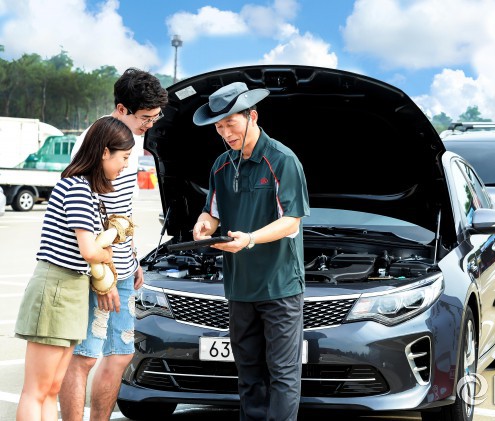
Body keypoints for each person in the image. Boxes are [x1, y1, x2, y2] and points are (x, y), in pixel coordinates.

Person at [191, 82, 310, 421]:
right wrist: (203, 226)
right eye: (219, 127)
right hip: (239, 286)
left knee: (283, 374)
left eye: (231, 123)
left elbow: (291, 221)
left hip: (279, 286)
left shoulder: (283, 160)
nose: (225, 133)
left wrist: (250, 239)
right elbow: (212, 212)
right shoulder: (221, 165)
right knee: (248, 373)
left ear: (252, 116)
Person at [58, 68, 168, 421]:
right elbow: (88, 221)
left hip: (120, 265)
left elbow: (121, 213)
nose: (150, 124)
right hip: (95, 270)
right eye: (146, 117)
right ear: (122, 109)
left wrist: (132, 259)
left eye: (155, 117)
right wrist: (102, 279)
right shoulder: (94, 144)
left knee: (120, 354)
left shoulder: (131, 143)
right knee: (84, 357)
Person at [15, 117, 135, 421]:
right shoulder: (78, 188)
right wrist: (108, 255)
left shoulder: (88, 190)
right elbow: (89, 250)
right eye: (124, 157)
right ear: (105, 152)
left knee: (51, 388)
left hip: (71, 289)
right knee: (36, 389)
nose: (125, 166)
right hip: (56, 288)